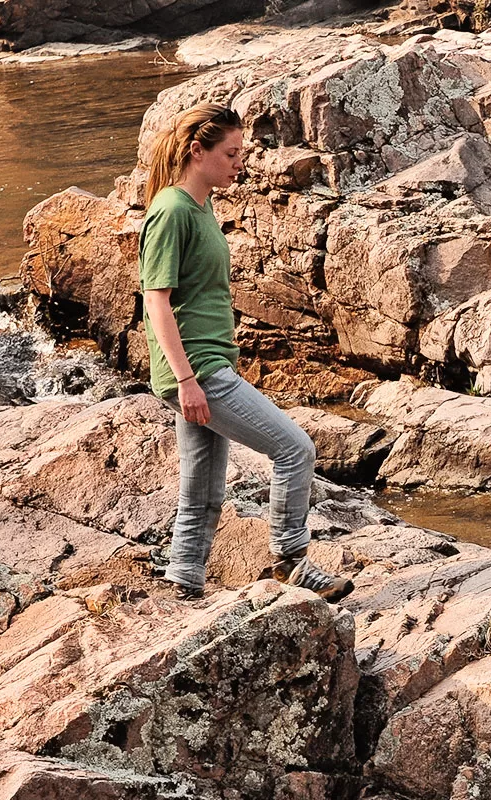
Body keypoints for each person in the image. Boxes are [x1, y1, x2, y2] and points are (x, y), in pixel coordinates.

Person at [138, 102, 352, 603]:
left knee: (202, 493)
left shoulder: (201, 205)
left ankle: (183, 582)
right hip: (199, 370)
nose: (240, 163)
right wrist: (187, 380)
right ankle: (292, 562)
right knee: (295, 449)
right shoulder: (171, 211)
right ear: (198, 152)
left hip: (206, 365)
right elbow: (156, 302)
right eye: (231, 153)